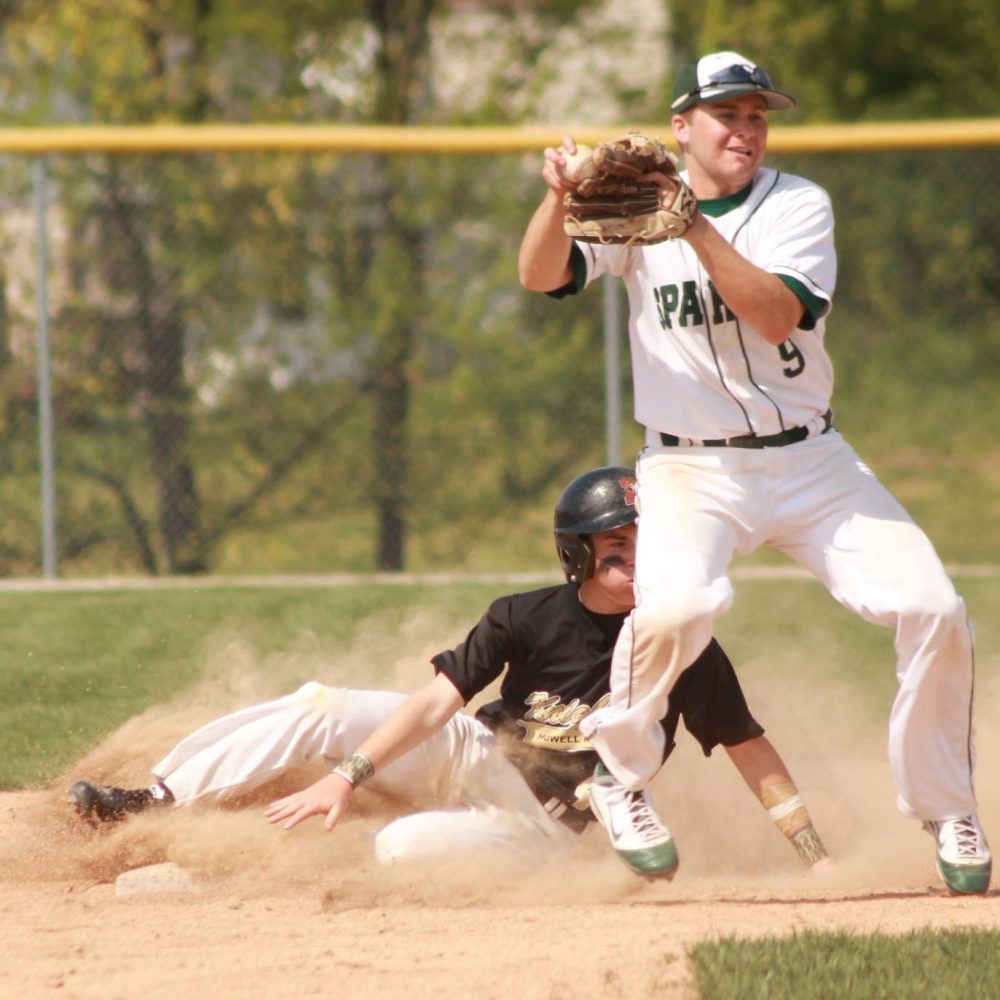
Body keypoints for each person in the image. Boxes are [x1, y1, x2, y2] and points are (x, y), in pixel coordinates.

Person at [518, 52, 991, 895]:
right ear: (682, 127)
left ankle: (946, 805)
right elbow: (539, 275)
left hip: (811, 460)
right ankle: (617, 776)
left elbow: (776, 316)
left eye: (757, 116)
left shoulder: (798, 204)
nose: (745, 129)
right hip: (690, 467)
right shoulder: (637, 211)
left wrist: (693, 223)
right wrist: (558, 199)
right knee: (680, 607)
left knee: (934, 609)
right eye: (727, 114)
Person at [69, 466, 828, 877]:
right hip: (475, 753)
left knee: (397, 853)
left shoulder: (682, 642)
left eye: (643, 544)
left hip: (541, 826)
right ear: (577, 556)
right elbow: (436, 705)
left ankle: (228, 861)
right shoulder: (523, 616)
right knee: (320, 705)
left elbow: (748, 747)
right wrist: (349, 772)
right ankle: (155, 798)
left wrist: (812, 853)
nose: (633, 562)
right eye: (614, 546)